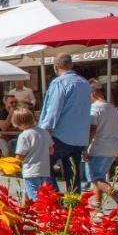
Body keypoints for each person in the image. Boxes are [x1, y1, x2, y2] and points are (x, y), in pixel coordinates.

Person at [38, 54, 91, 193]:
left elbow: (53, 110)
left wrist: (44, 131)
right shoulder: (84, 83)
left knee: (43, 167)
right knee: (73, 175)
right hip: (79, 138)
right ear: (71, 65)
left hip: (60, 135)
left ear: (56, 67)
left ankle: (55, 199)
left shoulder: (59, 83)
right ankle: (73, 207)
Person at [86, 83, 118, 215]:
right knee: (99, 178)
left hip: (99, 147)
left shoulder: (94, 109)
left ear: (93, 94)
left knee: (96, 178)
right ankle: (97, 207)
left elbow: (92, 130)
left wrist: (85, 147)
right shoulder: (112, 108)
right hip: (112, 147)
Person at [12, 108, 53, 201]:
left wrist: (13, 165)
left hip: (30, 170)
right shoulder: (44, 132)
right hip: (44, 169)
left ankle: (40, 212)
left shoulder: (24, 135)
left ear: (18, 122)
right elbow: (51, 150)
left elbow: (20, 155)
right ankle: (23, 210)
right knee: (26, 193)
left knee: (35, 197)